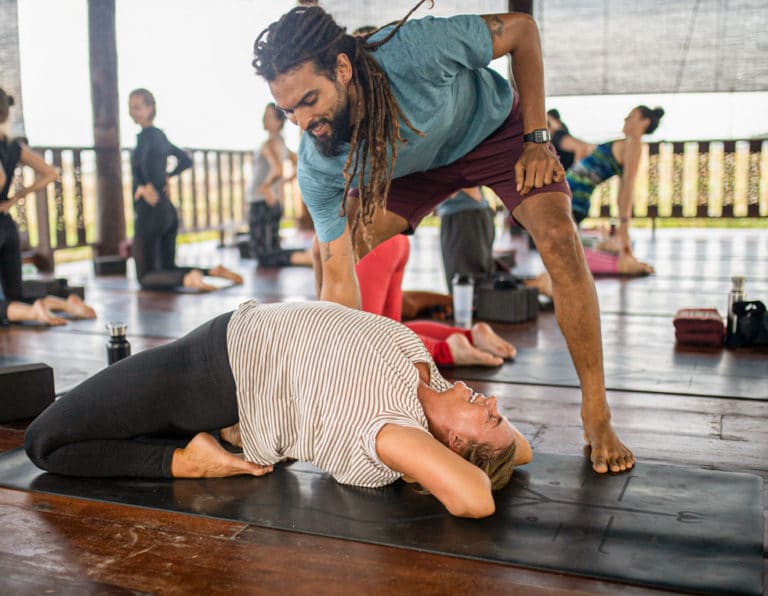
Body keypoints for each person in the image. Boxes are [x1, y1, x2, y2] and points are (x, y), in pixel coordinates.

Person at [252, 3, 634, 473]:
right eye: (287, 110)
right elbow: (335, 280)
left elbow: (522, 31)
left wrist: (537, 138)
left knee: (559, 239)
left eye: (309, 100)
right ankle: (357, 392)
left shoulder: (416, 49)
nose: (302, 122)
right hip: (411, 168)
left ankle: (597, 413)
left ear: (343, 69)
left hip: (492, 133)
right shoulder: (318, 157)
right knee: (327, 251)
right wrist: (330, 389)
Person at [24, 301, 533, 518]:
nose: (490, 402)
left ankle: (186, 461)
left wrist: (479, 460)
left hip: (212, 374)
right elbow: (521, 452)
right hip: (224, 339)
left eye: (489, 418)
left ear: (455, 446)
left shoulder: (396, 432)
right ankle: (204, 444)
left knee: (46, 440)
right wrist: (502, 444)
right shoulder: (434, 383)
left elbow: (474, 496)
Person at [128, 88, 243, 291]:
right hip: (167, 211)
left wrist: (145, 186)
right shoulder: (160, 136)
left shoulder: (146, 137)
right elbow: (185, 160)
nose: (132, 112)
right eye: (131, 108)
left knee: (145, 277)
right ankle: (212, 271)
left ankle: (189, 280)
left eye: (137, 107)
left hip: (150, 210)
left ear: (150, 108)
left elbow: (143, 165)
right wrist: (166, 178)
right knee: (167, 266)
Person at [0, 88, 96, 326]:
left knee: (11, 298)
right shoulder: (13, 147)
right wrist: (14, 198)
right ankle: (64, 304)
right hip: (7, 225)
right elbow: (50, 173)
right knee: (15, 294)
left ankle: (34, 313)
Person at [356, 234, 516, 367]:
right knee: (391, 329)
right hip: (394, 236)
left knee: (365, 339)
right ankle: (470, 336)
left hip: (365, 237)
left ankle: (444, 350)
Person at [568, 105, 665, 275]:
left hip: (573, 200)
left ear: (645, 122)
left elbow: (626, 188)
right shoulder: (626, 143)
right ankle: (623, 260)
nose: (625, 119)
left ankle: (626, 264)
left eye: (631, 116)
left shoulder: (633, 144)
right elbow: (622, 191)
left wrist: (624, 228)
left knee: (567, 255)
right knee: (567, 251)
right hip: (572, 196)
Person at [247, 103, 312, 267]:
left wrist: (266, 186)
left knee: (264, 256)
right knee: (271, 249)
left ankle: (310, 258)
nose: (265, 120)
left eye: (269, 117)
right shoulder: (282, 144)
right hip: (272, 202)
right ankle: (310, 255)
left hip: (262, 202)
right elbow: (299, 163)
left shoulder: (268, 144)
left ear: (279, 122)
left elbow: (277, 169)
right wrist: (284, 182)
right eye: (265, 115)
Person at [437, 187, 496, 293]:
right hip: (463, 214)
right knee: (462, 287)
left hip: (465, 216)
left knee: (465, 287)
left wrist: (465, 185)